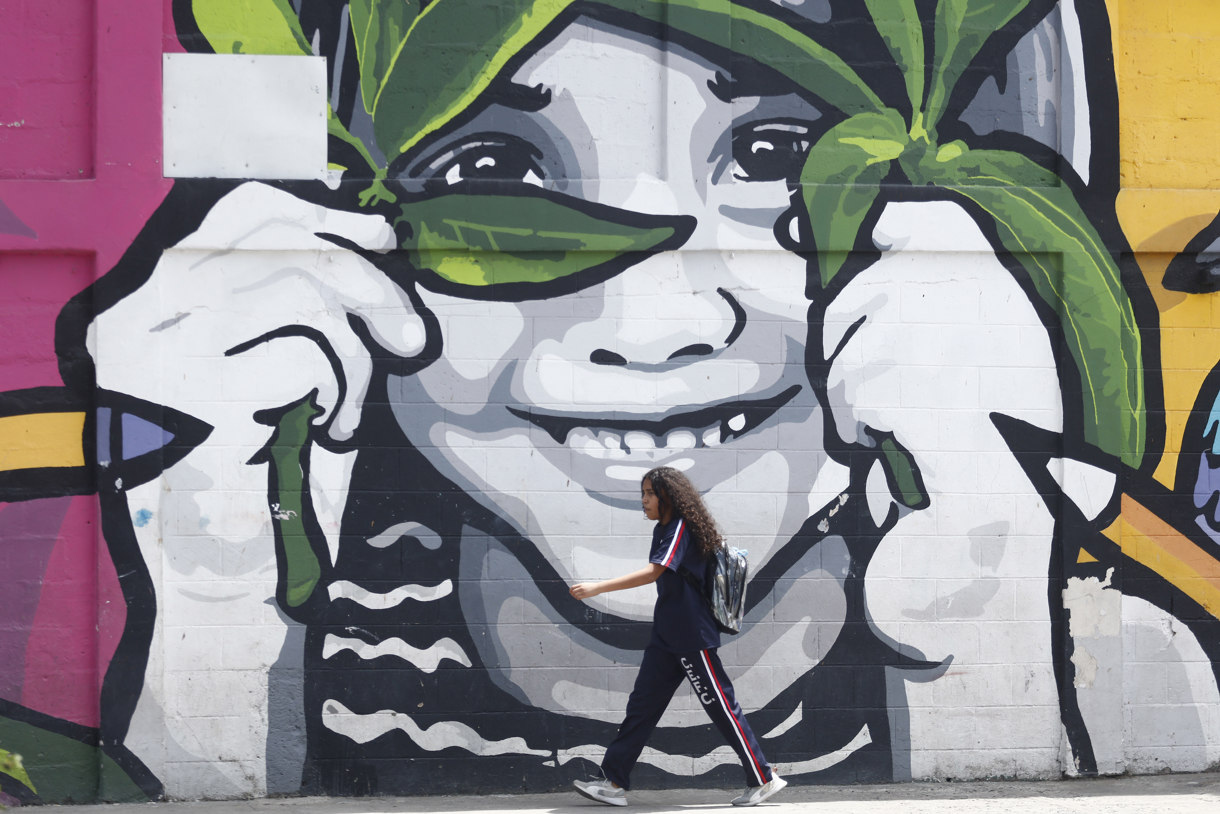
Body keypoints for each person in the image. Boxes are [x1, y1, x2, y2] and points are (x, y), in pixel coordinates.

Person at [568, 466, 786, 807]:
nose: (644, 501)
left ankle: (763, 776)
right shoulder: (664, 529)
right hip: (666, 635)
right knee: (642, 706)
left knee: (722, 708)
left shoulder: (681, 528)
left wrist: (598, 587)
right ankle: (613, 782)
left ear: (668, 496)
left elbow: (655, 571)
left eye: (649, 494)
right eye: (643, 494)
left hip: (691, 635)